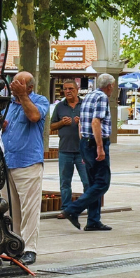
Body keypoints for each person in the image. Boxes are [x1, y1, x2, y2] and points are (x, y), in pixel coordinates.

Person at [2, 71, 50, 266]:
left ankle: (30, 248)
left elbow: (34, 116)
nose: (14, 86)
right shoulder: (8, 104)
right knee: (10, 209)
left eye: (19, 84)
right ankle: (14, 245)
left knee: (29, 208)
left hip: (28, 162)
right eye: (13, 83)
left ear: (29, 87)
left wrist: (23, 96)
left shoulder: (40, 100)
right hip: (7, 162)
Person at [60, 74, 117, 232]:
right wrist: (100, 147)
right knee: (102, 183)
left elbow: (81, 124)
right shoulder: (102, 98)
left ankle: (93, 220)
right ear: (110, 86)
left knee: (93, 183)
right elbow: (95, 122)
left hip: (85, 142)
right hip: (95, 143)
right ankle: (73, 209)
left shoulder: (88, 97)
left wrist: (83, 144)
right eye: (113, 86)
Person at [51, 80, 89, 214]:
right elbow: (51, 126)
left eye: (71, 88)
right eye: (65, 89)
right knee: (65, 182)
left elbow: (94, 124)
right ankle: (66, 209)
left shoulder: (85, 104)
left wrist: (83, 121)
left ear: (77, 89)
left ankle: (87, 206)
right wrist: (61, 122)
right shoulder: (60, 106)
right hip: (65, 150)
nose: (68, 91)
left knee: (87, 181)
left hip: (83, 151)